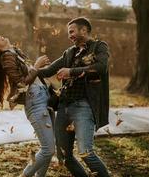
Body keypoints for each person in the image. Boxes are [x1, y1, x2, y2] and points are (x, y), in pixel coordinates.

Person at [38, 17, 110, 177]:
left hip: (84, 106)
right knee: (65, 155)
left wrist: (71, 71)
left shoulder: (99, 46)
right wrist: (29, 69)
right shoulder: (69, 52)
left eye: (72, 31)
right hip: (64, 108)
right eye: (68, 33)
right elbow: (48, 71)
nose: (69, 36)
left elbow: (101, 68)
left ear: (84, 30)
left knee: (86, 152)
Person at [0, 35, 55, 177]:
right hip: (35, 102)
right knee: (48, 149)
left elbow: (31, 74)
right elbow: (22, 83)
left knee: (49, 149)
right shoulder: (6, 57)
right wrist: (37, 66)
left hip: (43, 97)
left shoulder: (15, 52)